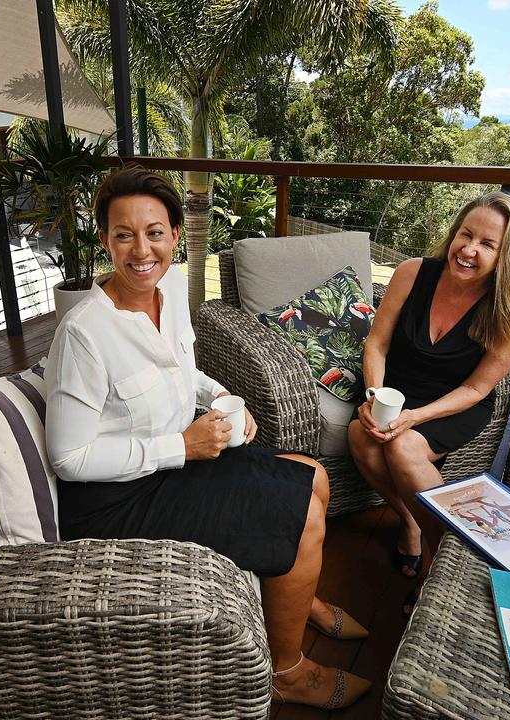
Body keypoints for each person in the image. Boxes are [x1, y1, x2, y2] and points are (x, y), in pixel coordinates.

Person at [46, 166, 371, 710]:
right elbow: (68, 458)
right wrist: (184, 447)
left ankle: (298, 593)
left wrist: (224, 400)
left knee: (314, 476)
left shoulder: (170, 291)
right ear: (105, 240)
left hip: (176, 460)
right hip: (117, 500)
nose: (141, 249)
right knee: (306, 514)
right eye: (123, 234)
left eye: (154, 232)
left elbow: (184, 370)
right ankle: (286, 671)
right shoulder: (83, 335)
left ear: (175, 234)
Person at [348, 191, 510, 582]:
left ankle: (441, 568)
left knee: (402, 447)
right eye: (465, 235)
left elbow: (476, 390)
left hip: (454, 402)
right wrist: (374, 398)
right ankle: (411, 522)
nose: (469, 250)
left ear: (508, 255)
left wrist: (415, 418)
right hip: (394, 388)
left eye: (488, 244)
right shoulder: (412, 272)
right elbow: (377, 343)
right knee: (360, 436)